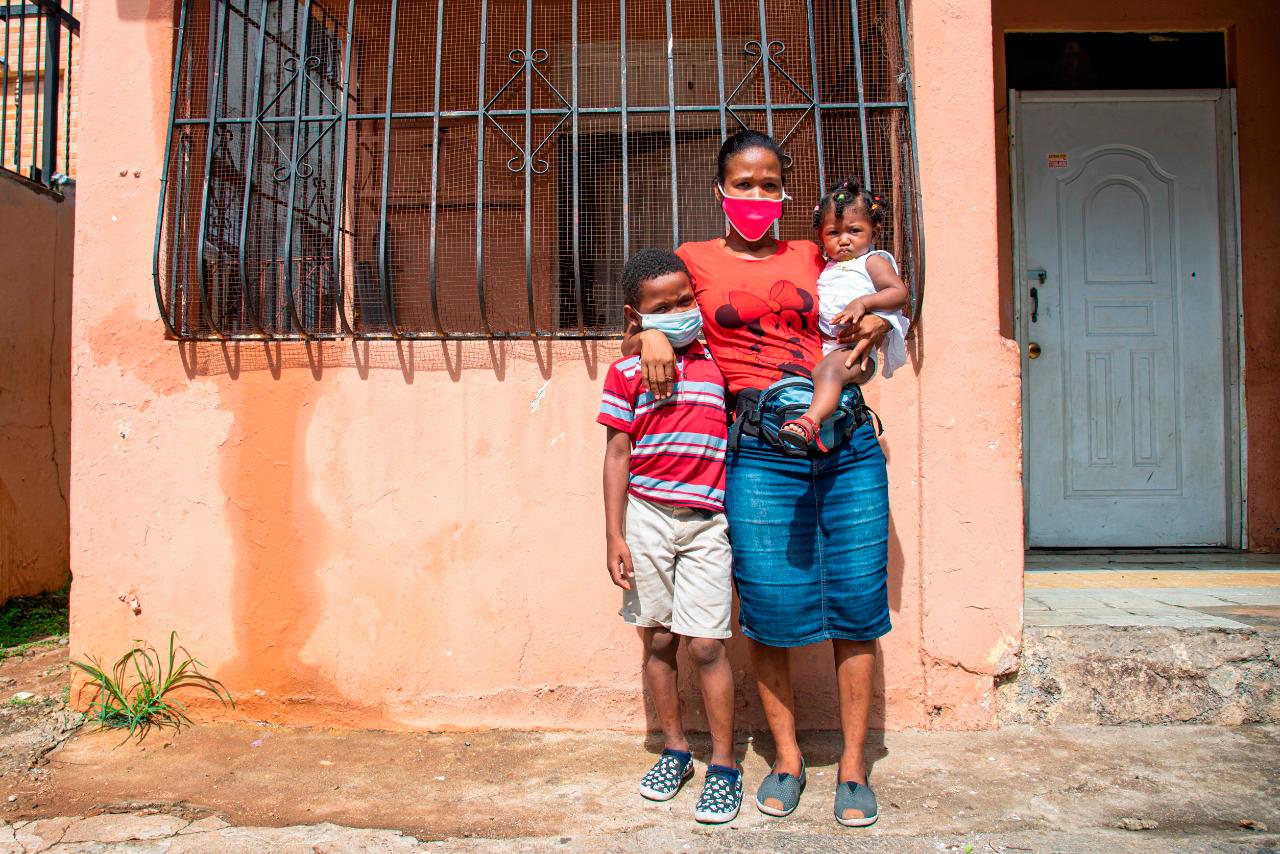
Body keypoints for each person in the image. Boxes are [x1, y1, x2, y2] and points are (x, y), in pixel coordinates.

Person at [624, 130, 893, 828]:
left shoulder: (816, 252)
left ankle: (854, 767)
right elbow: (649, 319)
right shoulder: (693, 260)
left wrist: (874, 330)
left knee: (857, 604)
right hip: (759, 450)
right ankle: (787, 759)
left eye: (769, 184)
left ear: (784, 192)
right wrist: (648, 336)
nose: (756, 195)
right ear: (720, 190)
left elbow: (880, 302)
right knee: (770, 611)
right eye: (743, 184)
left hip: (847, 440)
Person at [598, 249, 743, 824]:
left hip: (707, 520)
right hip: (647, 516)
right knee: (658, 640)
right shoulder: (626, 372)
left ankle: (724, 764)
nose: (681, 311)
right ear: (635, 315)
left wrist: (654, 335)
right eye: (663, 308)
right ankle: (676, 749)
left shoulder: (717, 359)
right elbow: (617, 454)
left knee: (706, 644)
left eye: (686, 300)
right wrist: (614, 534)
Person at [777, 179, 910, 454]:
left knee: (827, 372)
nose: (844, 240)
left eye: (854, 230)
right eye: (833, 233)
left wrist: (864, 302)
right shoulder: (828, 267)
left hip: (855, 352)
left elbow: (899, 293)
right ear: (821, 236)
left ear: (874, 232)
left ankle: (809, 422)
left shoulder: (872, 261)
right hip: (830, 347)